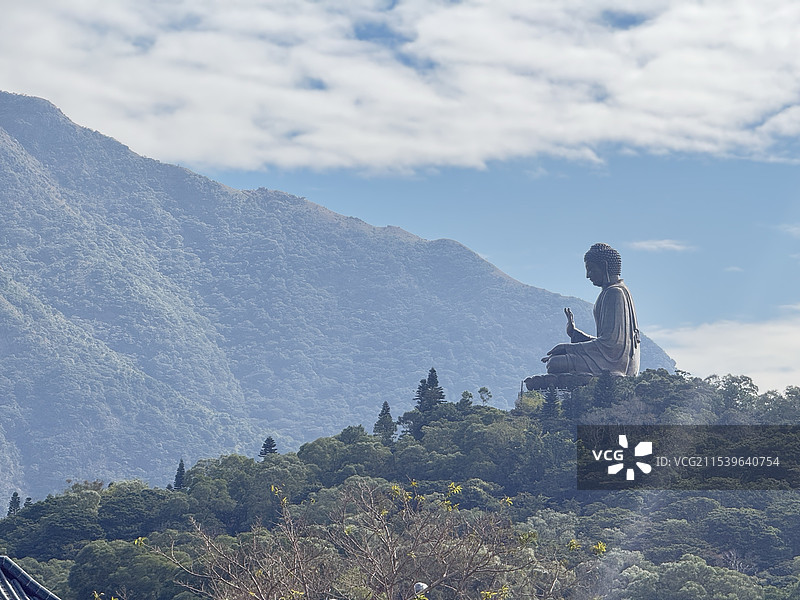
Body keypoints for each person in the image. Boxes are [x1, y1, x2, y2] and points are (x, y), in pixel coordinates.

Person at [542, 243, 640, 377]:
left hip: (614, 366)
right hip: (609, 360)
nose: (588, 275)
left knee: (554, 364)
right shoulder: (611, 292)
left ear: (604, 266)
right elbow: (606, 341)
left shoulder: (615, 293)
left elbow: (611, 346)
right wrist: (575, 334)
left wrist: (567, 348)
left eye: (591, 269)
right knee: (555, 362)